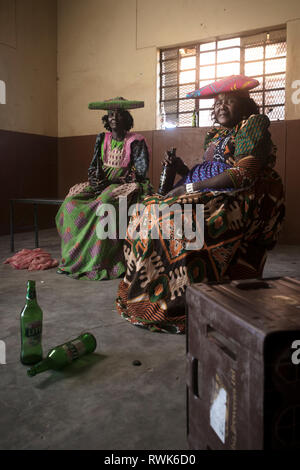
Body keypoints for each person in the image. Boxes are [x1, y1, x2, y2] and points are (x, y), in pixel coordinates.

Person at [116, 76, 285, 333]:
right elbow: (207, 171)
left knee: (176, 222)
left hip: (242, 194)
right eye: (217, 103)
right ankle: (146, 292)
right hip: (211, 189)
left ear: (245, 105)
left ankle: (180, 298)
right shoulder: (216, 134)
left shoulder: (253, 124)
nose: (220, 107)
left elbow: (244, 173)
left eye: (229, 101)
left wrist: (191, 188)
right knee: (146, 210)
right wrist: (180, 170)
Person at [56, 97, 153, 280]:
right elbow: (94, 166)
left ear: (126, 118)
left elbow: (140, 172)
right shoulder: (102, 138)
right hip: (103, 182)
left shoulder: (136, 140)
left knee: (104, 204)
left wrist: (112, 182)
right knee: (70, 202)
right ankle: (72, 259)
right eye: (110, 114)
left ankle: (98, 261)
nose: (114, 117)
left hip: (127, 184)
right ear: (106, 119)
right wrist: (95, 179)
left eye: (118, 114)